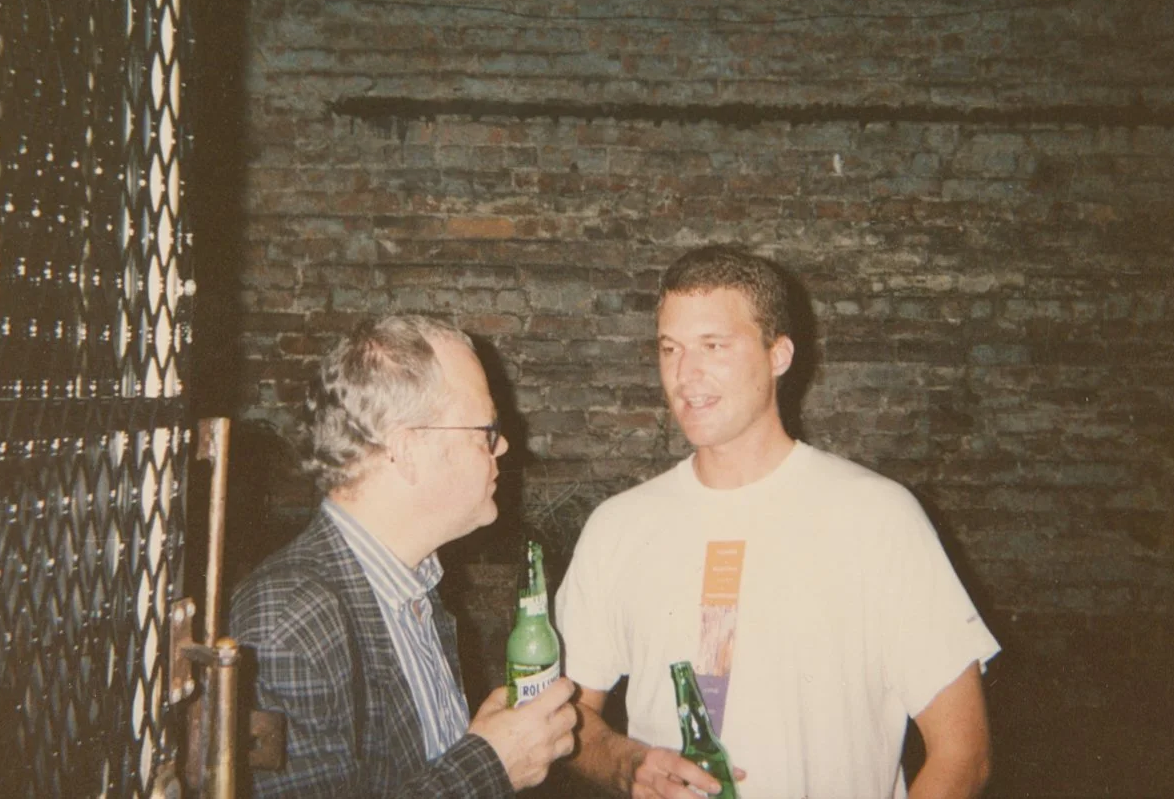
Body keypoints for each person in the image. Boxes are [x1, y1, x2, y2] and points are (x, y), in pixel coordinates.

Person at [555, 246, 1000, 799]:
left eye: (713, 346)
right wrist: (627, 764)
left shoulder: (877, 517)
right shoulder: (617, 526)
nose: (685, 375)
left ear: (779, 354)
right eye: (670, 349)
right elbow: (570, 719)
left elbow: (963, 753)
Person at [231, 314, 578, 799]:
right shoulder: (290, 617)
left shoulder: (411, 584)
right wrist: (490, 765)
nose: (502, 445)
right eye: (484, 430)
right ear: (408, 449)